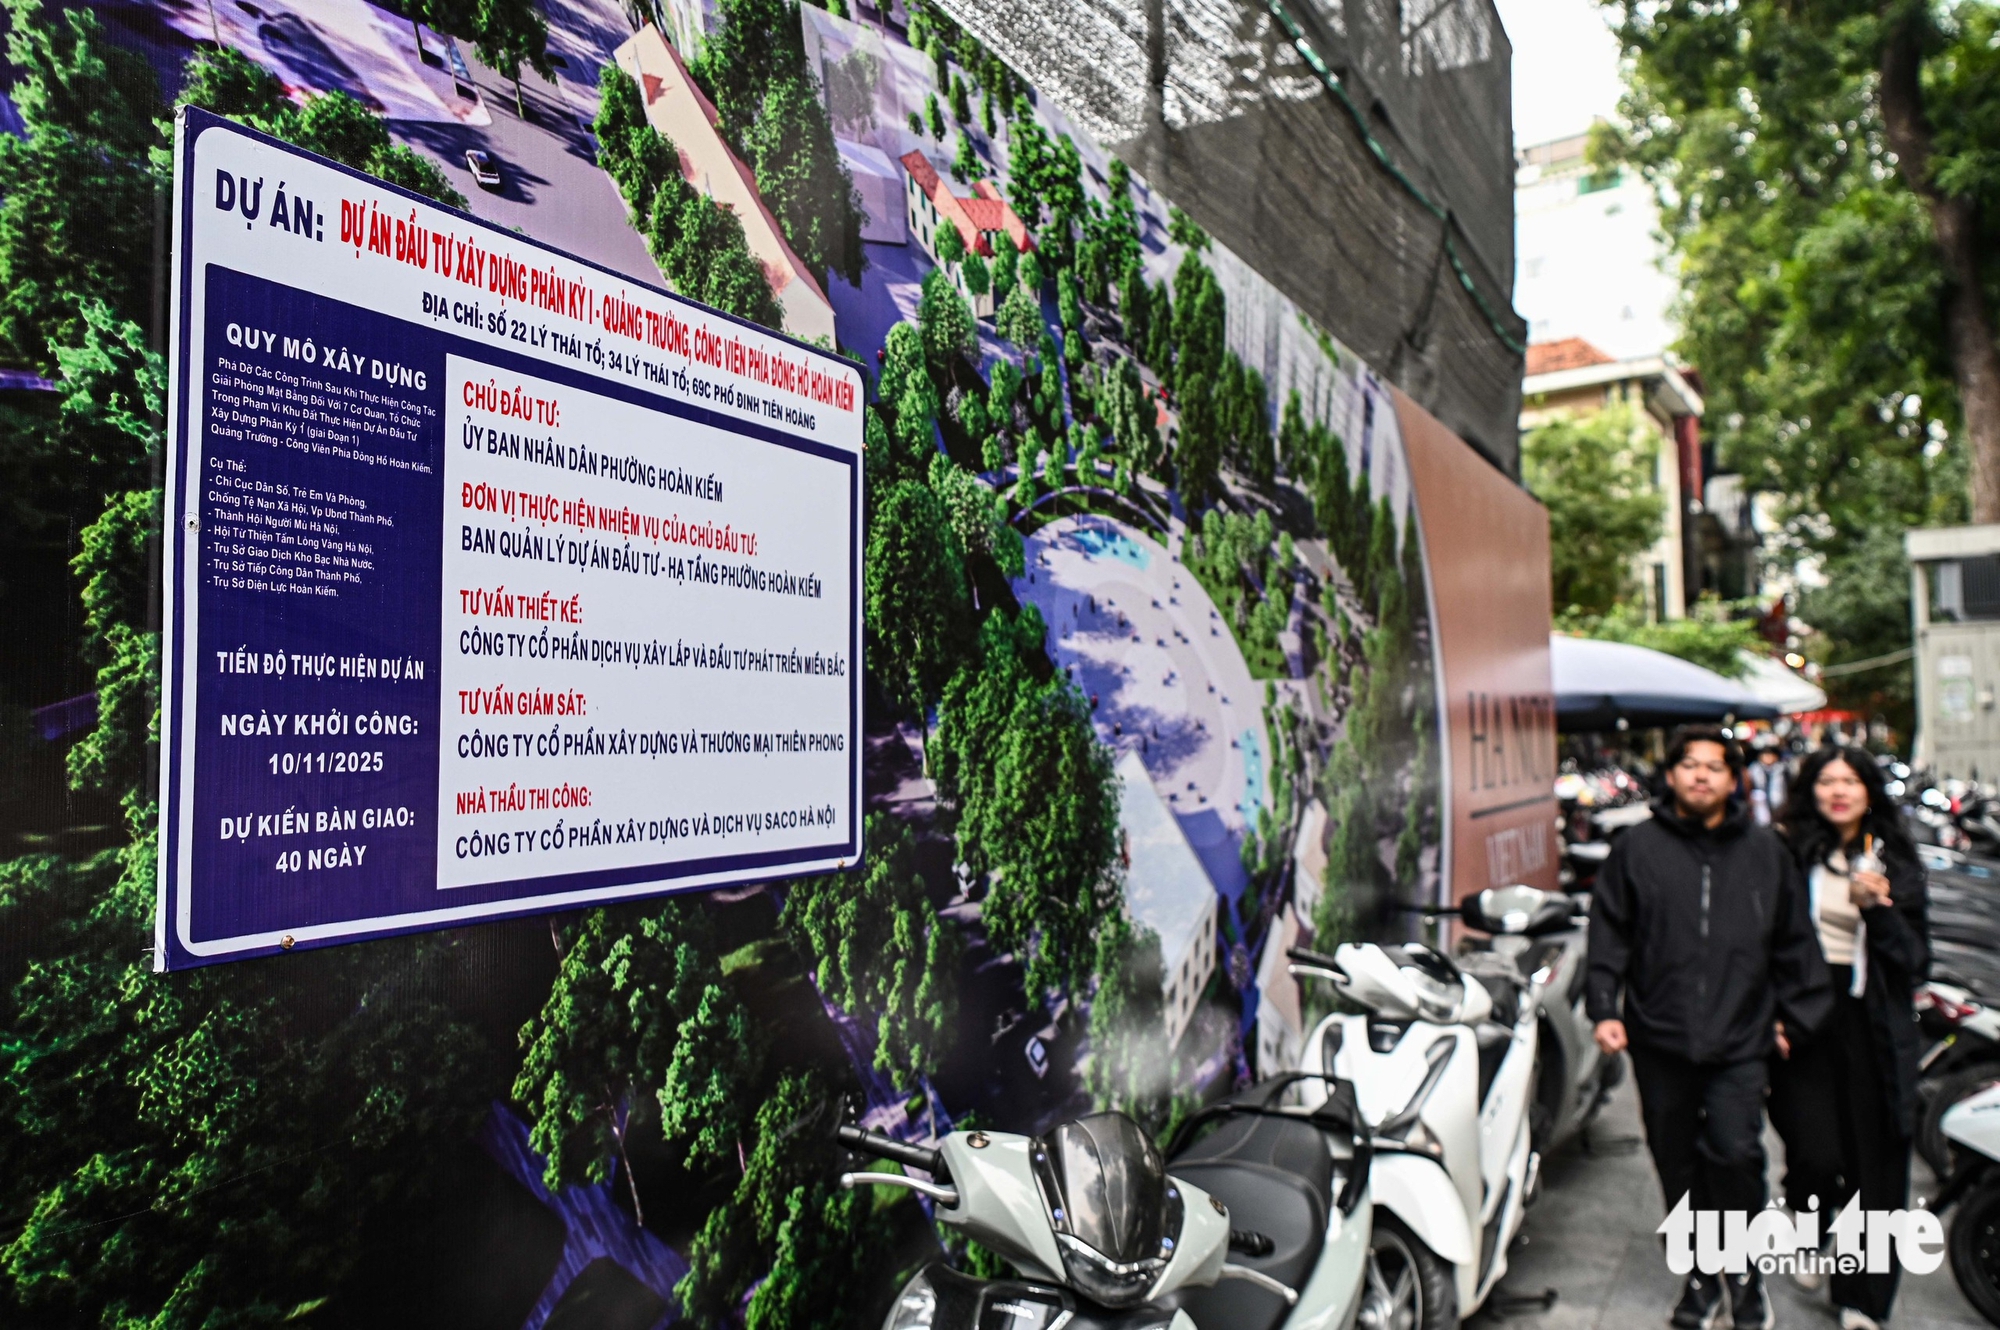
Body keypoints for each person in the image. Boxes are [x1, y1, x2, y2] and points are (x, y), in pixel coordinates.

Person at [1588, 725, 1831, 1330]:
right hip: (1658, 1034)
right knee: (1674, 1158)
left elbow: (1796, 941)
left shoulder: (1767, 852)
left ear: (1733, 778)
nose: (1700, 775)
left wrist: (1794, 1018)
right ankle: (1700, 1274)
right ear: (1671, 775)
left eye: (1714, 766)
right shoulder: (1637, 848)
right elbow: (1608, 932)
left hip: (1741, 1037)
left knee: (1735, 1152)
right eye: (1689, 765)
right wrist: (1605, 1008)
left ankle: (1745, 1274)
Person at [1768, 747, 1930, 1330]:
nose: (1838, 791)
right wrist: (1771, 1015)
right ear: (1810, 790)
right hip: (1803, 1018)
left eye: (1851, 780)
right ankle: (1810, 1229)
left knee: (1875, 1163)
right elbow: (1759, 939)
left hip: (1873, 1023)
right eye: (1826, 780)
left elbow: (1916, 962)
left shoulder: (1897, 857)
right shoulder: (1786, 851)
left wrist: (1878, 910)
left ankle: (1861, 1298)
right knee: (1814, 1151)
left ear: (1869, 790)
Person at [1746, 741, 1791, 827]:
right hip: (1759, 808)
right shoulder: (1753, 770)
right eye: (1765, 755)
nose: (1768, 757)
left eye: (1770, 755)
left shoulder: (1783, 770)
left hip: (1779, 807)